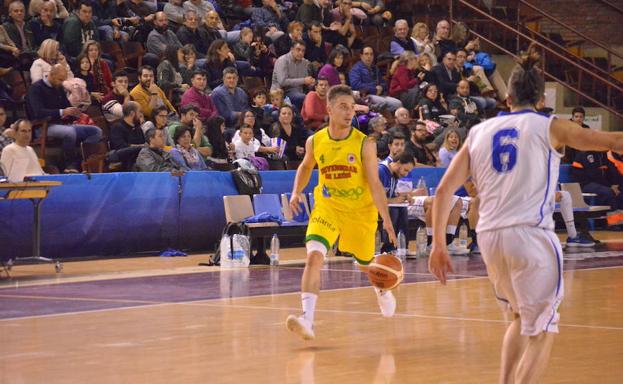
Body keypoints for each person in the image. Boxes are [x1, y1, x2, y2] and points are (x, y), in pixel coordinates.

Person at [428, 45, 623, 384]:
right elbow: (611, 141)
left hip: (489, 238)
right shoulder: (550, 125)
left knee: (519, 317)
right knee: (543, 329)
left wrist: (438, 246)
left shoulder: (477, 132)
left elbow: (444, 191)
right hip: (530, 236)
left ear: (507, 98)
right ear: (540, 99)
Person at [285, 85, 398, 341]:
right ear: (329, 109)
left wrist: (387, 219)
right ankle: (307, 319)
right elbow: (305, 167)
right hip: (328, 207)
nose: (349, 112)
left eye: (352, 107)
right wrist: (295, 192)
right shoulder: (315, 140)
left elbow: (375, 184)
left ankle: (382, 289)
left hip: (360, 211)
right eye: (343, 107)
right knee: (314, 257)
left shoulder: (364, 144)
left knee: (366, 264)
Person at [26, 64, 102, 172]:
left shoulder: (59, 87)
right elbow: (38, 112)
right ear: (51, 75)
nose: (61, 82)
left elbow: (65, 106)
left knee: (96, 131)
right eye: (60, 79)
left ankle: (83, 159)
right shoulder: (36, 88)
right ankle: (70, 165)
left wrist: (75, 112)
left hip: (63, 124)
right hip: (42, 126)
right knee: (69, 132)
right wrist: (63, 112)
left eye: (63, 80)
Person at [378, 152, 416, 253]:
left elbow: (390, 194)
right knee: (393, 210)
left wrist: (404, 196)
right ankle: (388, 248)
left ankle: (403, 247)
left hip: (384, 206)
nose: (405, 174)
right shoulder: (381, 171)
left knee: (402, 209)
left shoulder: (394, 175)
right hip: (370, 207)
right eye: (405, 170)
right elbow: (373, 197)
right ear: (398, 163)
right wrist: (393, 200)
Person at [108, 101, 146, 171]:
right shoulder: (117, 127)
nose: (141, 115)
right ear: (132, 113)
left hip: (140, 158)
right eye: (139, 112)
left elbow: (144, 143)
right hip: (125, 161)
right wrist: (141, 147)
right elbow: (121, 147)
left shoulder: (138, 128)